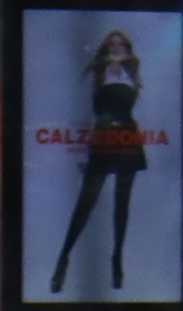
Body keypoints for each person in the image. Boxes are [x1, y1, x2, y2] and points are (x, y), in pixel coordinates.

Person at [52, 28, 148, 293]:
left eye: (121, 44)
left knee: (122, 202)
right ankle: (64, 256)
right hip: (106, 135)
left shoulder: (132, 70)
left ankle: (116, 258)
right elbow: (88, 110)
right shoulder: (97, 72)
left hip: (127, 135)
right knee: (87, 201)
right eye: (112, 44)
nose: (117, 48)